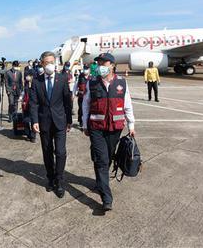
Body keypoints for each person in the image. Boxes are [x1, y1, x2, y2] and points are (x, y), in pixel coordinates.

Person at [82, 53, 135, 211]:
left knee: (108, 157)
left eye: (104, 63)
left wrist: (131, 125)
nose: (101, 66)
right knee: (102, 159)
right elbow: (85, 105)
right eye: (99, 63)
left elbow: (127, 104)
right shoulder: (91, 82)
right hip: (96, 128)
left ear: (112, 65)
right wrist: (85, 125)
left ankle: (100, 183)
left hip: (115, 128)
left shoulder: (121, 82)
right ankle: (106, 198)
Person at [30, 51, 72, 198]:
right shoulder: (37, 81)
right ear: (42, 64)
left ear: (55, 63)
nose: (49, 65)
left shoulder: (62, 78)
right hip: (44, 122)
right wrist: (34, 120)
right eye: (46, 62)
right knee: (47, 152)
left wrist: (69, 121)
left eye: (51, 62)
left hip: (60, 121)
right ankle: (50, 178)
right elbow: (33, 103)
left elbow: (67, 101)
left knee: (60, 152)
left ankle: (60, 181)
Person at [21, 68, 36, 143]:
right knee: (25, 120)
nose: (27, 77)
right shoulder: (26, 83)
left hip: (33, 105)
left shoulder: (36, 84)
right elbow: (24, 92)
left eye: (29, 75)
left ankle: (33, 136)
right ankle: (28, 134)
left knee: (33, 121)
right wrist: (22, 99)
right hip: (25, 104)